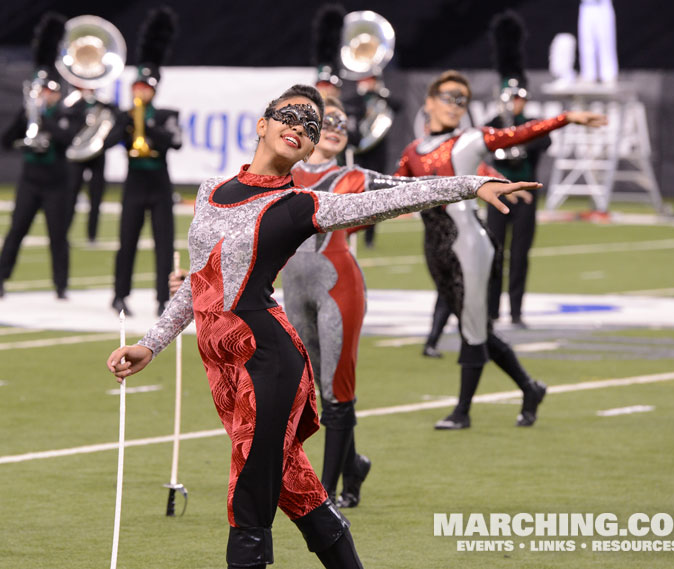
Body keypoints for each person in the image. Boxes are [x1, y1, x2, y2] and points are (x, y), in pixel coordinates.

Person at [107, 83, 538, 569]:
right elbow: (199, 283)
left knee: (249, 488)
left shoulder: (303, 204)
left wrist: (470, 184)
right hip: (222, 367)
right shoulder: (210, 192)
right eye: (290, 115)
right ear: (262, 124)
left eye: (311, 126)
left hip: (266, 361)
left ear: (311, 149)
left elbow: (396, 200)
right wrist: (151, 343)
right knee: (296, 486)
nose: (300, 127)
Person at [395, 70, 606, 430]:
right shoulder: (412, 151)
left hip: (469, 244)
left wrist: (566, 118)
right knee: (472, 325)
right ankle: (530, 387)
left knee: (473, 328)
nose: (455, 104)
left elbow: (521, 133)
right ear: (429, 102)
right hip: (434, 247)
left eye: (462, 99)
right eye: (448, 96)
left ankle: (462, 411)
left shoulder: (471, 139)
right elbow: (390, 193)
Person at [283, 96, 431, 509]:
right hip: (293, 290)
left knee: (337, 387)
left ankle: (327, 493)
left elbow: (414, 191)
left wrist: (470, 185)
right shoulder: (282, 175)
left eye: (342, 124)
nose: (334, 127)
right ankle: (355, 465)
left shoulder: (354, 176)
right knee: (312, 388)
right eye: (326, 121)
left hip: (339, 286)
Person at [0, 13, 76, 300]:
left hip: (56, 183)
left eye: (48, 91)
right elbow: (4, 141)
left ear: (55, 93)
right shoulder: (26, 113)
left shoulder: (63, 115)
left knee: (58, 237)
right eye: (41, 90)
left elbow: (67, 141)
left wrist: (44, 118)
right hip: (30, 181)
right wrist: (23, 127)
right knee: (16, 230)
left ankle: (61, 286)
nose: (44, 95)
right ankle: (0, 279)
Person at [111, 7, 182, 317]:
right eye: (136, 87)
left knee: (163, 245)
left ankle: (163, 298)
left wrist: (148, 126)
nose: (139, 92)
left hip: (160, 185)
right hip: (134, 185)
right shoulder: (124, 117)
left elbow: (176, 141)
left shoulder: (167, 116)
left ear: (153, 89)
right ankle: (119, 295)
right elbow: (108, 141)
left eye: (145, 88)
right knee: (127, 242)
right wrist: (126, 121)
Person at [485, 84, 551, 328]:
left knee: (520, 255)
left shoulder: (531, 123)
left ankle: (516, 311)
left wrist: (519, 143)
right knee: (494, 253)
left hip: (525, 196)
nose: (516, 103)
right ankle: (491, 312)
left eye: (520, 99)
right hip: (499, 195)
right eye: (512, 98)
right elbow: (485, 145)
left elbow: (545, 140)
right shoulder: (495, 122)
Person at [65, 88, 113, 244]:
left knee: (96, 194)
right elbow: (67, 116)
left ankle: (92, 235)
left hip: (97, 152)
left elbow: (115, 115)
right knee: (71, 193)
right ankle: (63, 233)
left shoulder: (102, 102)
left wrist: (100, 102)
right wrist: (82, 102)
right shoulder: (75, 101)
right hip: (77, 153)